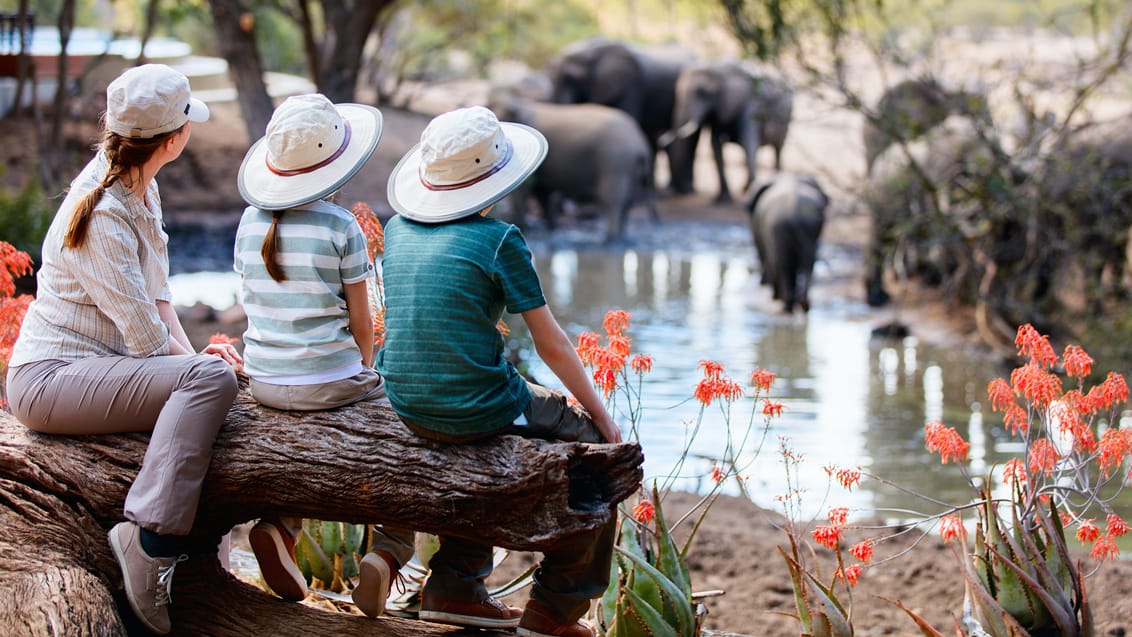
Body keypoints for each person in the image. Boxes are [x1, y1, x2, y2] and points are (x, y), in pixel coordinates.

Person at [3, 64, 241, 635]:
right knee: (211, 384)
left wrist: (201, 355)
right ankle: (148, 539)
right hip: (50, 380)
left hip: (95, 371)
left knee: (211, 377)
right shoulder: (104, 210)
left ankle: (196, 563)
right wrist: (200, 372)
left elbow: (158, 300)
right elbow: (143, 339)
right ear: (174, 138)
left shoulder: (140, 185)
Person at [379, 105, 623, 637]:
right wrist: (601, 418)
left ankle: (455, 587)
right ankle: (555, 609)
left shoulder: (396, 228)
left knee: (479, 439)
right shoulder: (499, 239)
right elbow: (552, 343)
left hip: (402, 401)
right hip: (476, 404)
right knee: (598, 464)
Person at [233, 92, 414, 617]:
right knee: (403, 437)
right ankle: (389, 550)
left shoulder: (248, 223)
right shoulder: (341, 227)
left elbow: (252, 304)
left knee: (298, 435)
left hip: (265, 379)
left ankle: (281, 526)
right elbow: (362, 323)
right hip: (332, 380)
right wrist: (365, 370)